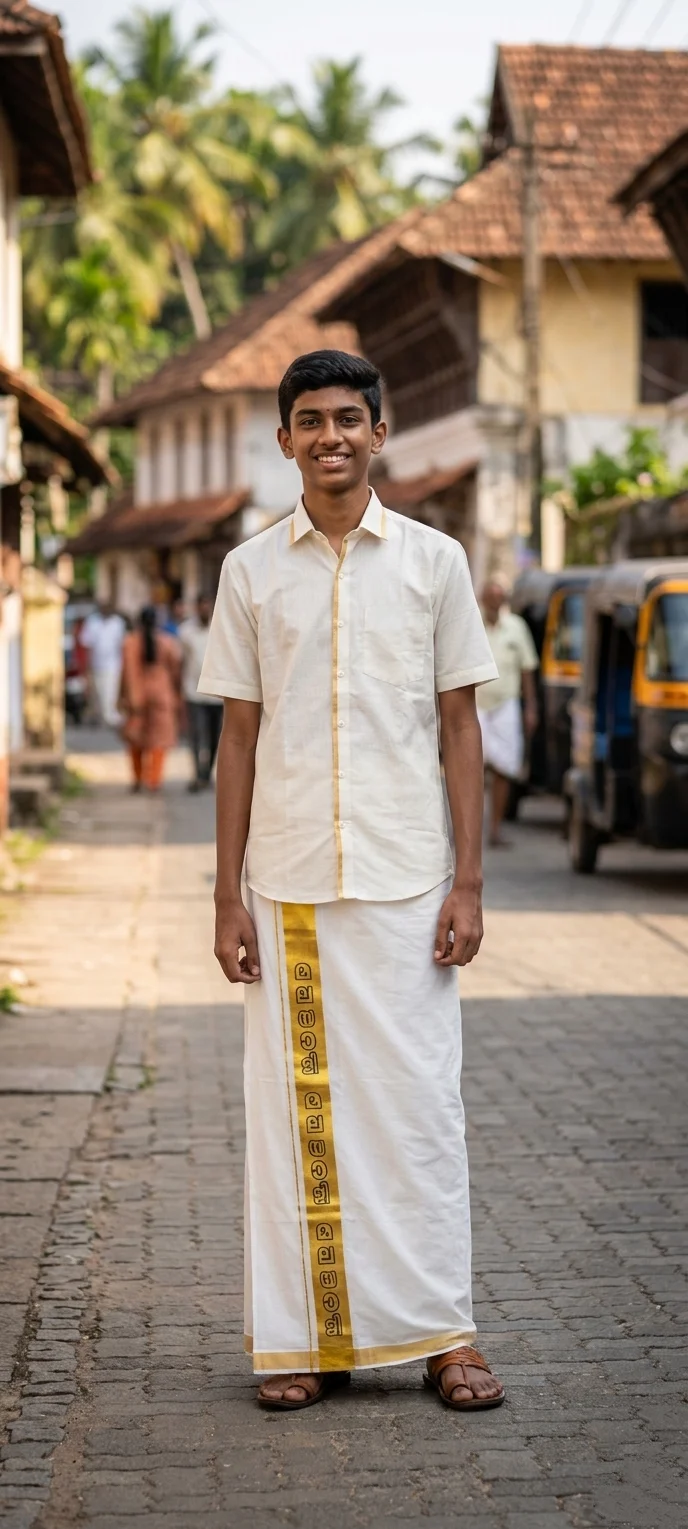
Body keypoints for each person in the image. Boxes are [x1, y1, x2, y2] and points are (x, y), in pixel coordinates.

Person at [200, 348, 506, 1414]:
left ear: (380, 431)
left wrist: (468, 882)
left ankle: (445, 1335)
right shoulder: (249, 572)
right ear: (283, 438)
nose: (330, 435)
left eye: (348, 417)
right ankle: (299, 1336)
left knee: (420, 1107)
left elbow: (460, 726)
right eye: (309, 419)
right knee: (294, 1118)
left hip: (407, 882)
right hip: (284, 884)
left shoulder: (435, 563)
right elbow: (236, 738)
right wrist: (223, 891)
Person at [476, 580, 539, 848]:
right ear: (481, 599)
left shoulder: (516, 627)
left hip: (506, 703)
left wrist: (531, 707)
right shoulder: (470, 623)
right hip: (474, 704)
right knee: (470, 769)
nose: (494, 603)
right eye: (490, 598)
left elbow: (527, 669)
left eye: (498, 598)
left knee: (503, 768)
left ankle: (495, 829)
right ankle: (468, 833)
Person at [118, 606, 182, 792]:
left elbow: (125, 673)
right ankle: (154, 779)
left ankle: (138, 778)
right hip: (161, 694)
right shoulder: (167, 642)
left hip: (136, 694)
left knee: (136, 738)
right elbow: (175, 670)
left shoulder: (130, 642)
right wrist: (177, 695)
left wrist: (122, 696)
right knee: (159, 739)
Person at [179, 595, 223, 791]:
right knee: (197, 735)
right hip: (193, 691)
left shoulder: (221, 628)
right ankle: (198, 774)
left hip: (217, 695)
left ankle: (207, 772)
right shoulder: (186, 631)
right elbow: (180, 661)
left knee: (215, 737)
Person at [80, 600, 126, 727]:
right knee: (97, 694)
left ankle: (109, 717)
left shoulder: (117, 623)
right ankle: (100, 718)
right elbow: (87, 645)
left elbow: (122, 645)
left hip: (113, 665)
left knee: (110, 692)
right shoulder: (92, 622)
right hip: (96, 664)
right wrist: (86, 667)